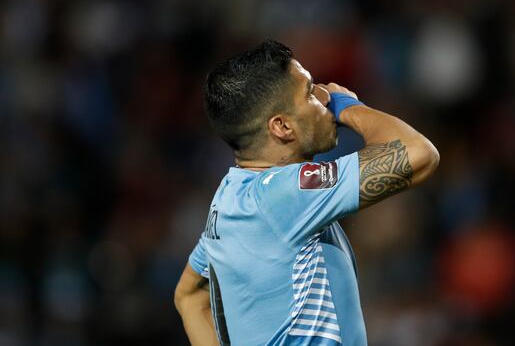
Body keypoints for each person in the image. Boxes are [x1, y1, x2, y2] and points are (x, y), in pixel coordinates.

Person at [173, 39, 440, 345]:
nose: (325, 96)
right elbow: (420, 154)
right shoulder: (283, 195)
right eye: (311, 92)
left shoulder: (230, 199)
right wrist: (349, 108)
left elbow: (190, 296)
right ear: (282, 127)